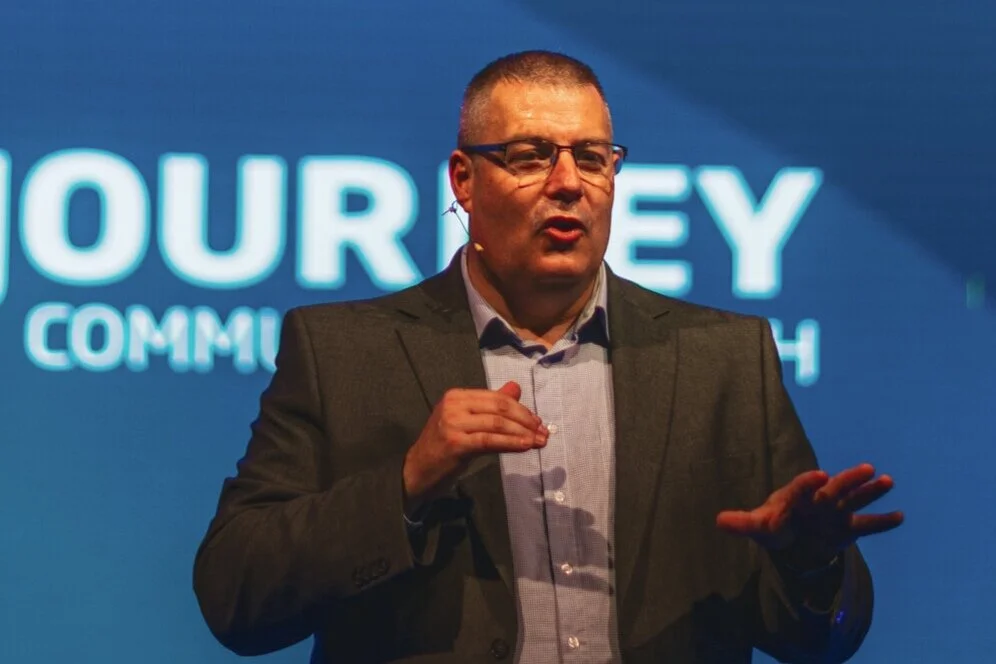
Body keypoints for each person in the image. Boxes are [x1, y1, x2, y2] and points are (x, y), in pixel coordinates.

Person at [193, 50, 903, 663]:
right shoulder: (344, 352)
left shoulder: (724, 359)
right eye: (531, 156)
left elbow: (824, 640)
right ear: (464, 180)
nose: (569, 183)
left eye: (592, 158)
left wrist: (810, 561)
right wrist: (406, 487)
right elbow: (234, 594)